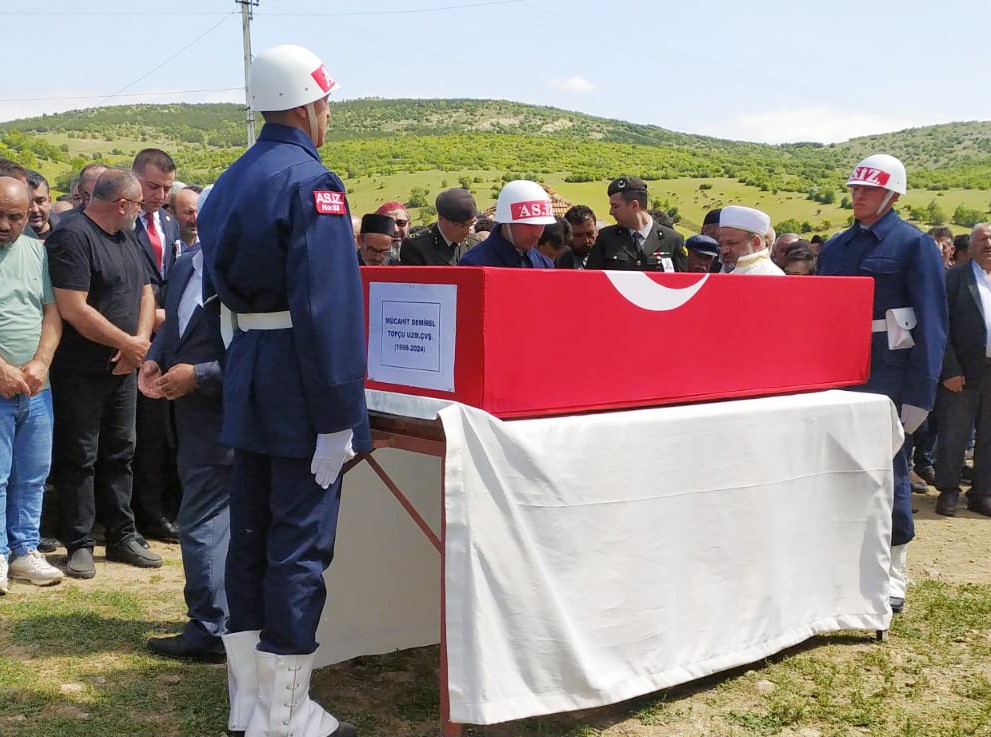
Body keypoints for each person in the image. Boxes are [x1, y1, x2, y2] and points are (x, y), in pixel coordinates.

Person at [199, 44, 367, 737]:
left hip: (249, 372)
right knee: (298, 545)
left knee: (250, 537)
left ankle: (250, 701)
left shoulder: (229, 180)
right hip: (300, 381)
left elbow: (217, 299)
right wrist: (337, 416)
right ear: (306, 103)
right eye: (325, 104)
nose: (327, 115)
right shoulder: (312, 182)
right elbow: (328, 308)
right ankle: (287, 712)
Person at [818, 153, 948, 613]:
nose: (858, 196)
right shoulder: (835, 247)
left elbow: (932, 322)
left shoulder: (914, 245)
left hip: (888, 377)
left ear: (892, 195)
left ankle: (894, 571)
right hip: (836, 374)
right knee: (838, 471)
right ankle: (840, 565)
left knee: (891, 473)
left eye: (868, 190)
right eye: (855, 188)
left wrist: (921, 392)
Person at [46, 168, 163, 579]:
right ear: (123, 204)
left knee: (121, 451)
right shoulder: (72, 236)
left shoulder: (126, 235)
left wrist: (139, 342)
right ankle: (79, 541)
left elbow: (146, 290)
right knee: (80, 455)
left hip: (124, 367)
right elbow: (74, 308)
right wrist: (125, 343)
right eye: (137, 206)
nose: (139, 212)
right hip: (81, 369)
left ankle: (122, 535)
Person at [139, 186, 232, 661]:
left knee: (203, 523)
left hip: (232, 418)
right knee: (209, 523)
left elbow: (263, 352)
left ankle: (212, 628)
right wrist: (155, 358)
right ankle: (218, 622)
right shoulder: (183, 264)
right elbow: (174, 330)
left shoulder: (249, 274)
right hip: (192, 423)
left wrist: (199, 376)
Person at [0, 177, 64, 593]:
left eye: (15, 216)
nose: (5, 224)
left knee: (33, 473)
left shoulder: (37, 251)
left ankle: (24, 551)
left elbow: (51, 314)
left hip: (35, 386)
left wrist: (41, 362)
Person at [131, 149, 182, 544]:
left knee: (164, 431)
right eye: (152, 186)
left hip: (167, 341)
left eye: (166, 188)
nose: (159, 195)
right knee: (141, 435)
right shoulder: (123, 224)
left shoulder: (170, 223)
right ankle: (144, 512)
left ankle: (163, 504)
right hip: (133, 336)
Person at [933, 223, 991, 517]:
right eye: (983, 239)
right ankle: (949, 490)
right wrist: (950, 369)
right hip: (963, 372)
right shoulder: (954, 278)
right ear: (971, 244)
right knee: (954, 434)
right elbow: (941, 328)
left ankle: (982, 494)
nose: (989, 244)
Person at [585, 176, 686, 272]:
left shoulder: (672, 240)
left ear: (634, 205)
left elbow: (682, 283)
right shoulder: (606, 238)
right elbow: (592, 280)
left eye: (615, 206)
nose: (611, 212)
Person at [459, 179, 556, 267]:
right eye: (529, 224)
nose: (537, 233)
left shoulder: (545, 265)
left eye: (542, 224)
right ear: (506, 221)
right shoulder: (474, 264)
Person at [399, 188, 477, 265]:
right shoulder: (416, 247)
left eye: (471, 224)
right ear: (441, 219)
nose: (466, 232)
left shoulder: (475, 244)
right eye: (460, 225)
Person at [717, 206, 784, 275]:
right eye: (721, 244)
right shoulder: (727, 271)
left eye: (732, 243)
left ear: (756, 242)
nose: (724, 251)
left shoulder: (770, 276)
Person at [557, 205, 597, 269]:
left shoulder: (605, 251)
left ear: (596, 230)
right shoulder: (555, 258)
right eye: (578, 235)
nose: (586, 241)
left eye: (590, 234)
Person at [26, 171, 59, 241]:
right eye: (28, 202)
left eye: (40, 201)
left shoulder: (65, 235)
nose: (35, 209)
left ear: (49, 201)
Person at [170, 186, 200, 253]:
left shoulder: (207, 247)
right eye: (189, 212)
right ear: (171, 214)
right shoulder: (165, 246)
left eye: (198, 212)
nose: (195, 218)